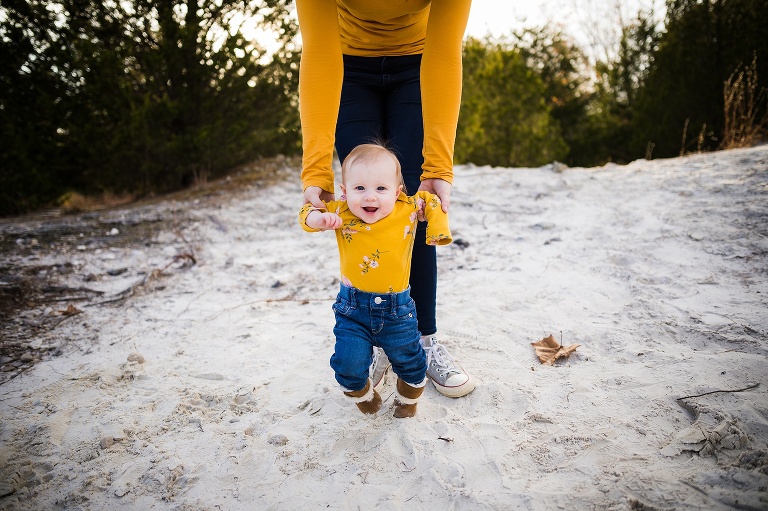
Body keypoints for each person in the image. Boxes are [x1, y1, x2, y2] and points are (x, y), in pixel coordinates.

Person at [296, 0, 476, 398]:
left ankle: (423, 341)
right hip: (345, 65)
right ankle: (378, 341)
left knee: (412, 206)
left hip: (421, 62)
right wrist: (316, 170)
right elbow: (319, 50)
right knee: (368, 205)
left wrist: (438, 169)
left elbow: (445, 49)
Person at [299, 143, 452, 417]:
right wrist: (318, 218)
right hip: (352, 309)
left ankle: (407, 401)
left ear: (397, 192)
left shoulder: (406, 208)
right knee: (348, 364)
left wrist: (437, 230)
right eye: (360, 189)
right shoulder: (342, 212)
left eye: (381, 189)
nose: (370, 197)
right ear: (345, 192)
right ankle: (364, 396)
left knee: (412, 364)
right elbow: (304, 214)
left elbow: (433, 202)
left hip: (398, 310)